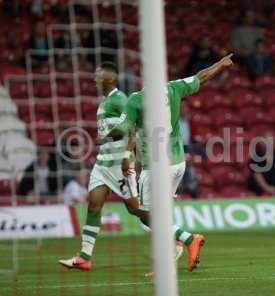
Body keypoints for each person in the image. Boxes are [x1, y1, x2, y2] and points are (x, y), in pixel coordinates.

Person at [105, 54, 235, 272]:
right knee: (159, 214)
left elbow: (121, 131)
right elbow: (201, 77)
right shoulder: (174, 88)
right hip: (177, 164)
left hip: (155, 168)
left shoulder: (136, 99)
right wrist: (220, 65)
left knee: (145, 217)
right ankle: (170, 253)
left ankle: (187, 239)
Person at [59, 62, 140, 271]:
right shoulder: (106, 101)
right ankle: (84, 257)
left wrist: (126, 156)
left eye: (98, 76)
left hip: (119, 165)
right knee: (94, 205)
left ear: (110, 79)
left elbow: (133, 129)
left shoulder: (121, 99)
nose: (94, 79)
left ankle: (180, 237)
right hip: (102, 164)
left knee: (136, 208)